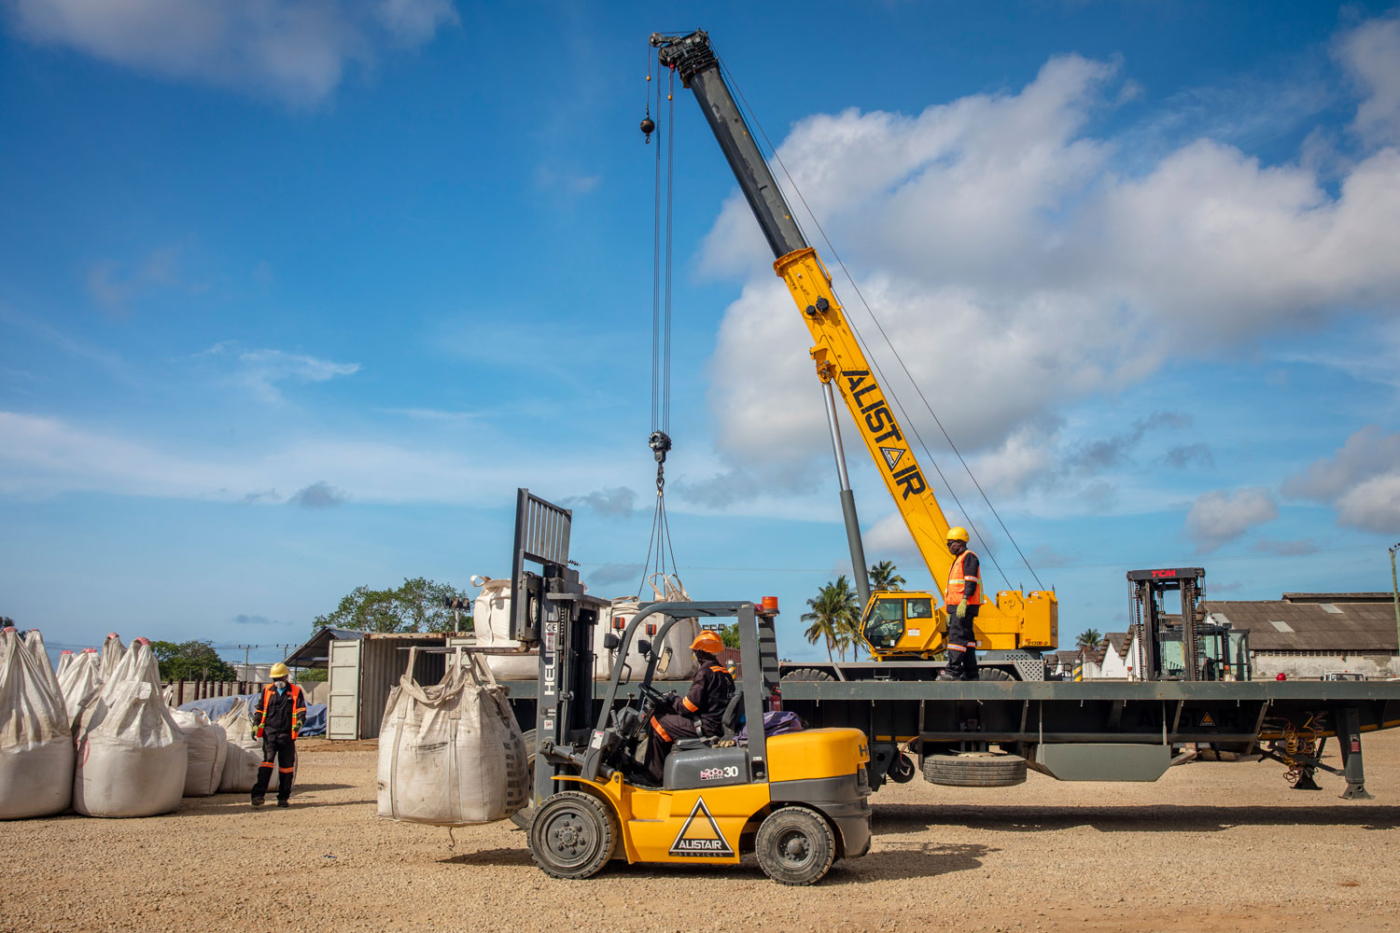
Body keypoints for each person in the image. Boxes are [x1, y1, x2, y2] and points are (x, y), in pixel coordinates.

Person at [643, 630, 735, 785]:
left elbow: (688, 707)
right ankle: (664, 767)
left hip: (706, 726)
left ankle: (653, 777)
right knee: (668, 720)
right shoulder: (723, 672)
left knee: (657, 722)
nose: (694, 654)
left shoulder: (705, 672)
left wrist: (673, 699)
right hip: (714, 722)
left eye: (694, 651)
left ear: (700, 652)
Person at [249, 662, 307, 808]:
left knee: (286, 767)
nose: (277, 682)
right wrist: (256, 724)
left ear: (286, 677)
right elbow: (260, 709)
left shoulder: (295, 691)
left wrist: (300, 722)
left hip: (287, 735)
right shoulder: (268, 690)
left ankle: (283, 798)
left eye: (280, 678)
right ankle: (258, 795)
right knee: (267, 762)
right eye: (275, 679)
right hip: (270, 733)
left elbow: (301, 710)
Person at [938, 526, 982, 682]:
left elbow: (971, 581)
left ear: (959, 542)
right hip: (957, 607)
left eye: (950, 543)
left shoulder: (968, 557)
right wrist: (950, 611)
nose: (949, 546)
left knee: (957, 637)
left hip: (963, 605)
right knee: (967, 640)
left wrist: (964, 600)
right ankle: (971, 673)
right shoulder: (958, 560)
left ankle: (953, 671)